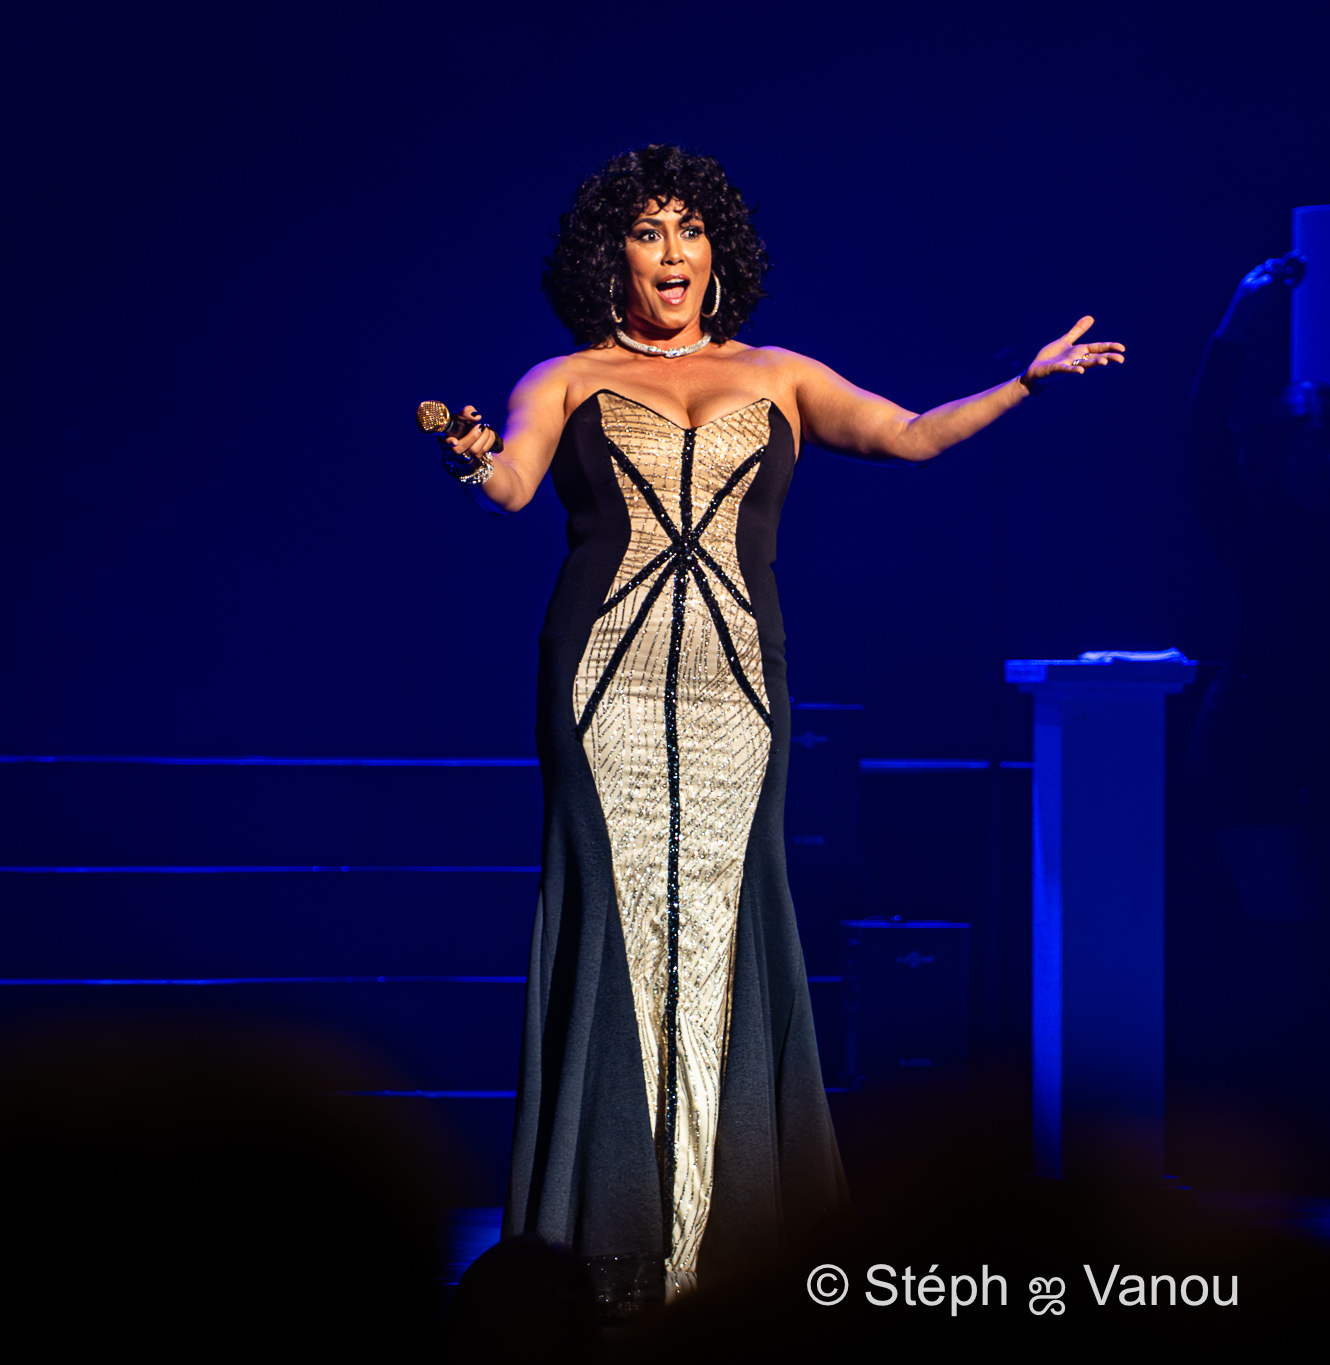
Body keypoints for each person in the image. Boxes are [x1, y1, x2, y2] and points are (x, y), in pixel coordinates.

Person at [437, 144, 1123, 1313]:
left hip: (737, 687)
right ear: (610, 256)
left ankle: (729, 1236)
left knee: (722, 917)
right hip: (600, 678)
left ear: (718, 253)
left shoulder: (779, 372)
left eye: (689, 230)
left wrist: (1025, 383)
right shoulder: (563, 376)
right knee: (615, 923)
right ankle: (608, 1227)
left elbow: (910, 435)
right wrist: (470, 461)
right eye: (647, 232)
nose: (671, 253)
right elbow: (509, 487)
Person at [1187, 252, 1330, 925]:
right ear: (1275, 459)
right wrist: (1239, 316)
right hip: (1255, 750)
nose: (1318, 467)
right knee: (1294, 942)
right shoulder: (1253, 526)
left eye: (1328, 452)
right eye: (1300, 453)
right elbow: (1205, 435)